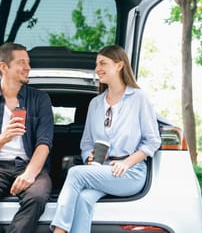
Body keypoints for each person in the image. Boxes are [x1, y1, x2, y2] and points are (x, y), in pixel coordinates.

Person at [50, 45, 161, 233]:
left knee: (76, 173)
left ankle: (59, 230)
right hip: (102, 171)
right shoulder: (95, 104)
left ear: (119, 65)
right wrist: (89, 157)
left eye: (103, 63)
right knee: (84, 198)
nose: (97, 68)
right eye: (96, 64)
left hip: (131, 174)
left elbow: (152, 141)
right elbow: (86, 143)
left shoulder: (139, 98)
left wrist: (126, 162)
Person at [0, 42, 54, 233]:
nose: (28, 68)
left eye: (28, 63)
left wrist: (30, 174)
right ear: (4, 67)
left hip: (30, 165)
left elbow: (44, 143)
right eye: (22, 62)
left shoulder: (40, 100)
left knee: (38, 197)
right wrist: (4, 137)